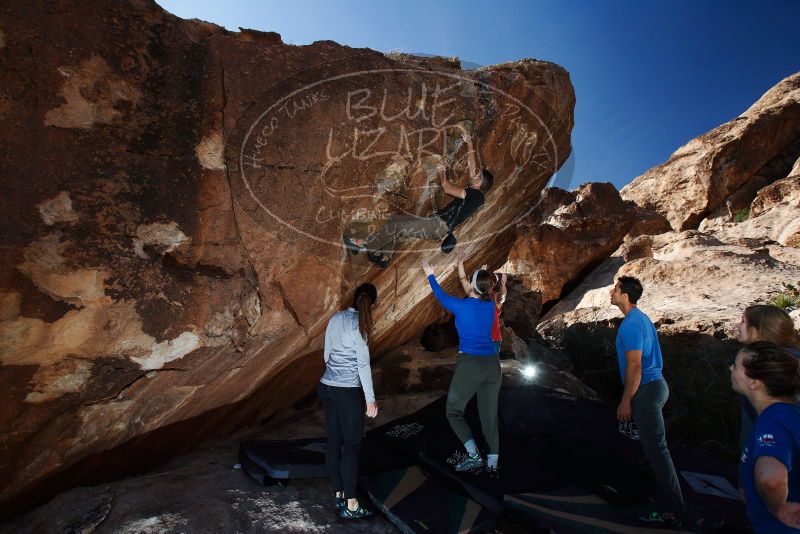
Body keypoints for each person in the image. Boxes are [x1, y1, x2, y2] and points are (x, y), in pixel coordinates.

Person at [343, 127, 494, 268]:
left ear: (479, 182)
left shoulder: (477, 197)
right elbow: (472, 166)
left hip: (438, 226)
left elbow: (447, 188)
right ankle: (384, 258)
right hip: (436, 223)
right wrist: (469, 143)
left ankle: (363, 246)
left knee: (398, 227)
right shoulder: (474, 191)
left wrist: (441, 172)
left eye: (477, 175)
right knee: (395, 220)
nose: (473, 174)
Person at [610, 276, 686, 527]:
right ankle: (664, 498)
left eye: (615, 288)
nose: (611, 291)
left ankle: (672, 512)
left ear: (624, 294)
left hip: (646, 390)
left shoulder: (632, 324)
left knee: (658, 451)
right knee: (655, 450)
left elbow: (635, 366)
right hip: (651, 388)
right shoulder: (639, 318)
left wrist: (625, 401)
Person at [422, 258, 501, 474]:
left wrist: (430, 273)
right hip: (493, 365)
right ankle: (493, 464)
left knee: (453, 412)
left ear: (473, 286)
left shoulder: (462, 305)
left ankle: (474, 457)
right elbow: (475, 287)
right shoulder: (490, 304)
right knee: (489, 415)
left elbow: (439, 295)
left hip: (472, 363)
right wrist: (463, 266)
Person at [317, 283, 379, 519]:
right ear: (371, 304)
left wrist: (332, 374)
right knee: (351, 446)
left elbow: (327, 351)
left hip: (326, 386)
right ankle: (352, 506)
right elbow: (363, 364)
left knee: (333, 442)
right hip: (346, 391)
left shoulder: (336, 318)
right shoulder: (360, 326)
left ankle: (339, 495)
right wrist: (370, 400)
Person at [730, 341, 800, 532]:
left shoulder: (772, 422)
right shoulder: (788, 413)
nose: (731, 369)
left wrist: (779, 508)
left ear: (755, 383)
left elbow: (771, 479)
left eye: (736, 366)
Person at [736, 305, 800, 450]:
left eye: (743, 322)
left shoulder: (760, 367)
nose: (738, 326)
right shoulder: (791, 358)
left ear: (755, 331)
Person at [456, 249, 507, 355]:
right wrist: (503, 285)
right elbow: (503, 297)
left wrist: (460, 262)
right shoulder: (486, 299)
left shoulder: (477, 296)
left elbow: (462, 278)